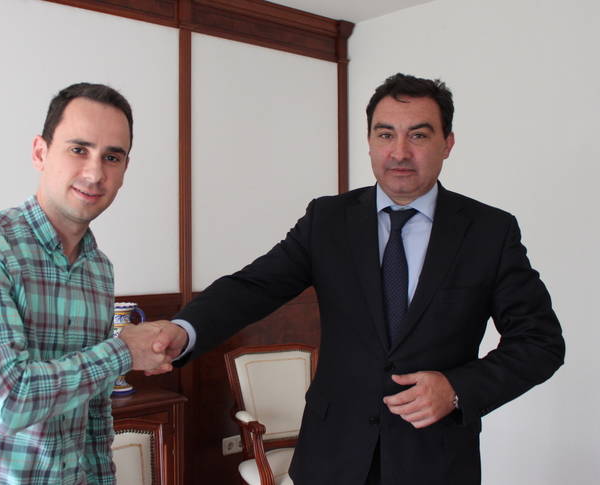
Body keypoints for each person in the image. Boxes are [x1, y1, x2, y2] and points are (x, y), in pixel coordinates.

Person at [152, 73, 565, 484]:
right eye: (385, 135)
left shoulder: (489, 232)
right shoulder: (328, 220)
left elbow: (540, 342)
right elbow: (253, 287)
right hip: (332, 455)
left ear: (447, 143)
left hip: (435, 460)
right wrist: (184, 329)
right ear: (369, 141)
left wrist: (456, 389)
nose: (399, 152)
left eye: (418, 136)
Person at [0, 82, 172, 484]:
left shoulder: (98, 268)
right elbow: (6, 401)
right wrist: (124, 352)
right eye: (78, 149)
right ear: (40, 152)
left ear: (124, 169)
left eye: (112, 157)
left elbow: (94, 412)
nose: (94, 173)